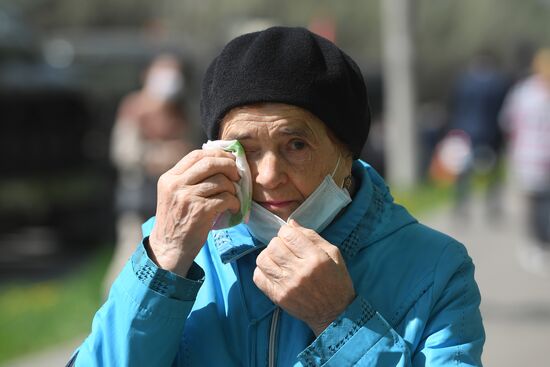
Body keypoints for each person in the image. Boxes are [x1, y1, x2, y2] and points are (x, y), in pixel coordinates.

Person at [68, 27, 484, 366]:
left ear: (346, 151)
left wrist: (339, 320)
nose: (268, 176)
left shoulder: (436, 269)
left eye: (296, 145)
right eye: (244, 149)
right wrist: (164, 260)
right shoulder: (174, 248)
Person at [104, 54, 195, 295]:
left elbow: (190, 148)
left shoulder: (180, 111)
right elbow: (123, 152)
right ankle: (111, 308)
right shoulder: (134, 107)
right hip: (139, 198)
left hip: (173, 204)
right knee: (128, 256)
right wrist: (159, 155)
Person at [500, 48, 550, 275]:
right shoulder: (526, 92)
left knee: (536, 203)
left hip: (528, 156)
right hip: (531, 157)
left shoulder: (523, 92)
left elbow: (507, 122)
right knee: (536, 203)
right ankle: (538, 243)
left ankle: (539, 243)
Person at [447, 51, 510, 219]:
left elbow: (454, 105)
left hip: (465, 130)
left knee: (463, 171)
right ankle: (492, 206)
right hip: (492, 131)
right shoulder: (499, 82)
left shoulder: (463, 82)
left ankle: (461, 205)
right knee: (493, 170)